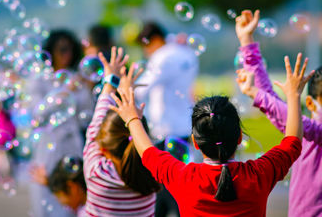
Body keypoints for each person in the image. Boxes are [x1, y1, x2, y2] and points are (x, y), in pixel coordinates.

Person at [109, 51, 311, 216]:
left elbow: (147, 152)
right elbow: (293, 143)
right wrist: (293, 96)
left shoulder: (183, 178)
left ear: (195, 143)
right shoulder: (259, 174)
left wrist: (131, 117)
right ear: (240, 138)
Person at [235, 10, 322, 216]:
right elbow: (272, 100)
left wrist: (254, 93)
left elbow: (273, 104)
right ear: (309, 103)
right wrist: (247, 40)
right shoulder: (305, 130)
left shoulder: (310, 131)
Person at [83, 47, 160, 216]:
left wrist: (112, 81)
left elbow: (96, 124)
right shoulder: (153, 174)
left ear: (103, 148)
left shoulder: (96, 173)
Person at [135, 22, 198, 216]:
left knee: (163, 187)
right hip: (185, 126)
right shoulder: (187, 53)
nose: (146, 52)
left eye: (146, 46)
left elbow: (141, 89)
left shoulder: (162, 57)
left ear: (154, 40)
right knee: (180, 184)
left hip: (165, 129)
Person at [30, 29, 93, 217]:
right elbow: (37, 114)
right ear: (50, 52)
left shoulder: (77, 78)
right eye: (62, 49)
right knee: (47, 202)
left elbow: (86, 115)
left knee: (72, 205)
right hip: (48, 149)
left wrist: (88, 89)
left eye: (70, 49)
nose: (67, 54)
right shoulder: (39, 79)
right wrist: (65, 91)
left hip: (73, 148)